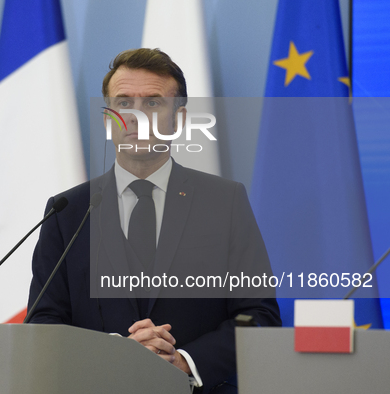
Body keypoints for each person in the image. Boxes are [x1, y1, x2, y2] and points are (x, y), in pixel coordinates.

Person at [27, 48, 281, 393]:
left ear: (178, 118)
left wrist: (185, 362)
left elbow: (259, 317)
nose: (136, 116)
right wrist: (116, 353)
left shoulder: (225, 202)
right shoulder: (67, 210)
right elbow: (43, 323)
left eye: (152, 103)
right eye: (123, 102)